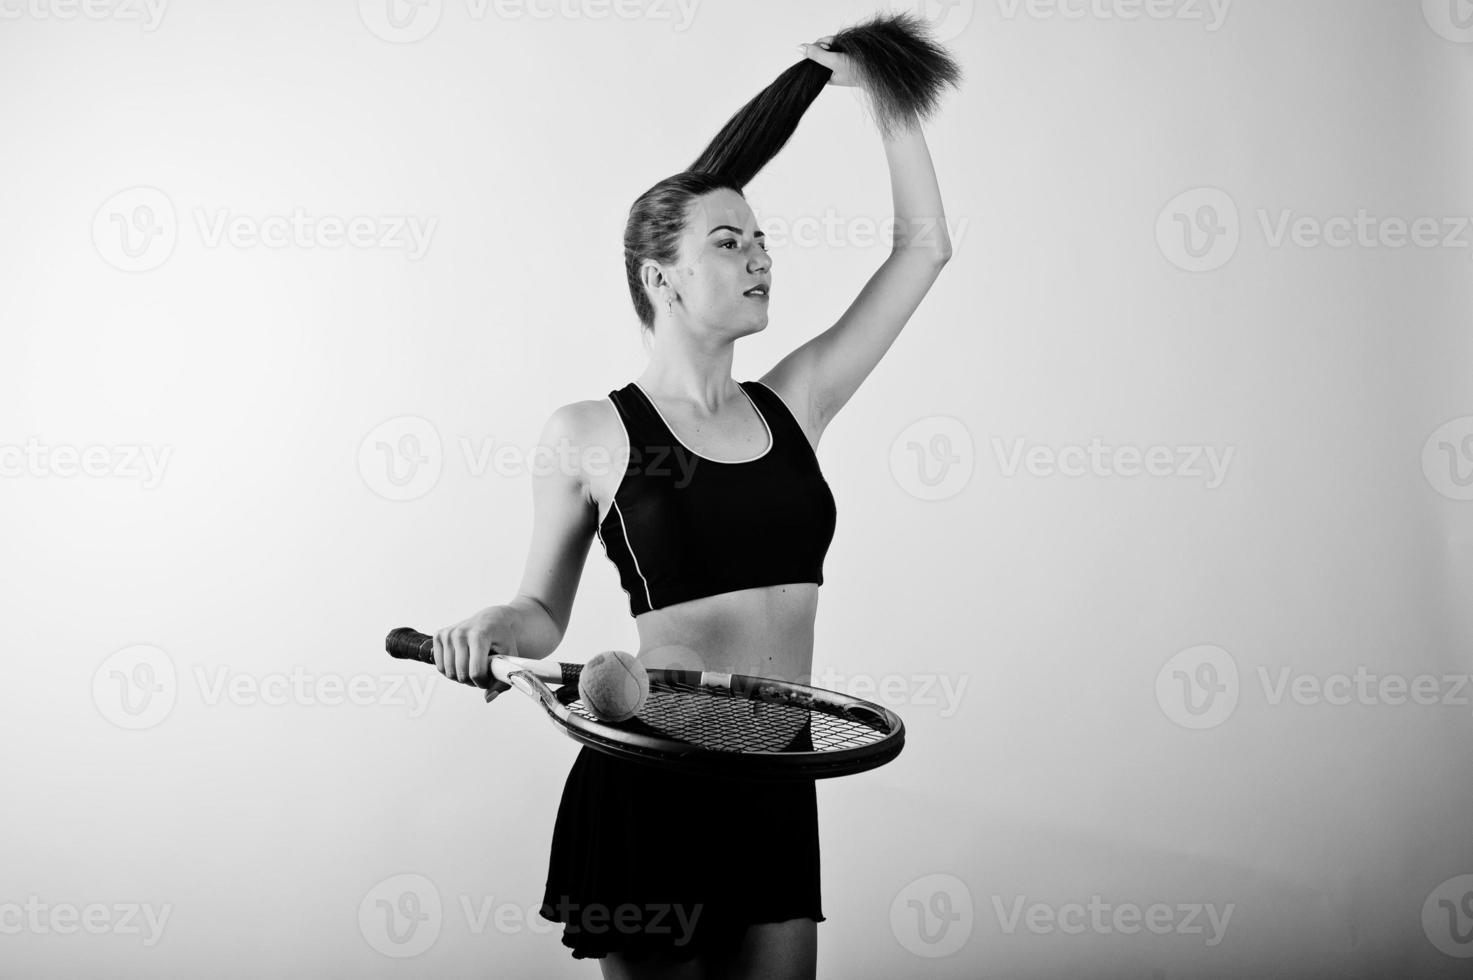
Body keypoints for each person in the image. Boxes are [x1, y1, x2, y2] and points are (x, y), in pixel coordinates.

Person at [431, 21, 955, 980]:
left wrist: (889, 92)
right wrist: (488, 627)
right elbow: (541, 614)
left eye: (761, 240)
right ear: (658, 276)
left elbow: (924, 252)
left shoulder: (796, 401)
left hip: (779, 777)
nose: (760, 257)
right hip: (654, 779)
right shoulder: (589, 432)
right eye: (728, 242)